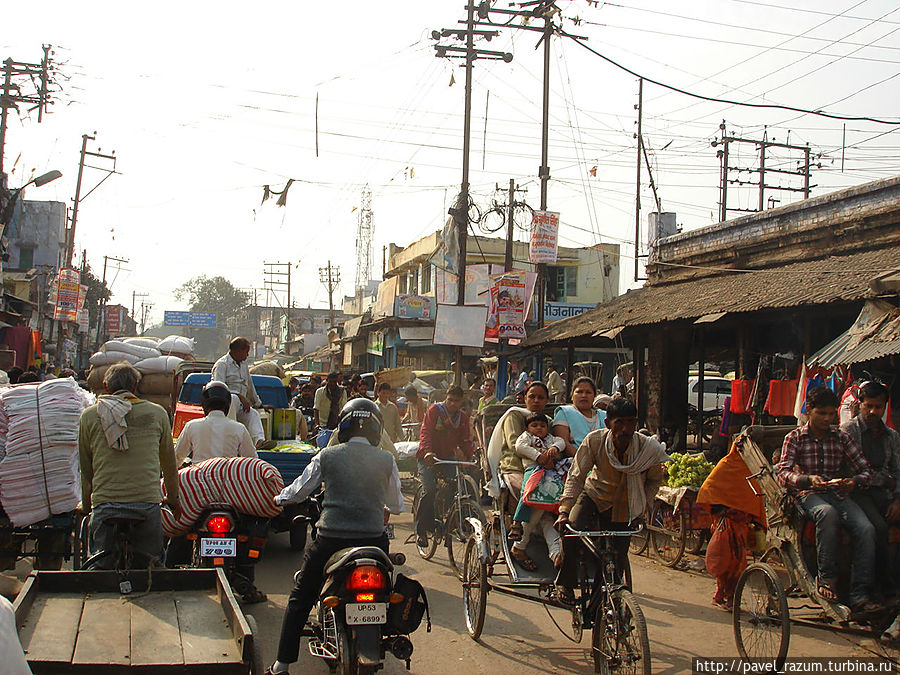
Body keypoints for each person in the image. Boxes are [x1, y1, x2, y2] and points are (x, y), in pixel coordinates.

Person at [267, 398, 403, 675]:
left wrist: (278, 498)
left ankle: (282, 664)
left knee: (301, 597)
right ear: (377, 428)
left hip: (331, 540)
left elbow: (299, 490)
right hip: (374, 542)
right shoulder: (386, 459)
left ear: (343, 425)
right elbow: (398, 505)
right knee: (385, 594)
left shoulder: (328, 456)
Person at [554, 397, 668, 603]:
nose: (625, 429)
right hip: (594, 496)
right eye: (619, 423)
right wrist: (564, 510)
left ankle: (603, 609)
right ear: (608, 424)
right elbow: (577, 476)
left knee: (616, 561)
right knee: (572, 529)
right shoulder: (595, 441)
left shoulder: (647, 449)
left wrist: (642, 508)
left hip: (626, 507)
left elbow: (653, 482)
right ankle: (566, 584)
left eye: (630, 422)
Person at [776, 385, 877, 613]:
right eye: (822, 413)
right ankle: (826, 579)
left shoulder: (841, 437)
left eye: (831, 414)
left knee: (866, 529)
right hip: (808, 495)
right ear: (809, 410)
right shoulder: (795, 437)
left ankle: (860, 593)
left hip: (838, 494)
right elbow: (783, 473)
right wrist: (807, 479)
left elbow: (865, 470)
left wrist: (854, 481)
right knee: (827, 514)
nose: (827, 419)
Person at [78, 362, 179, 567]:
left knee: (98, 565)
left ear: (106, 388)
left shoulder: (89, 416)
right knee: (154, 563)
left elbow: (86, 469)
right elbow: (169, 465)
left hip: (105, 506)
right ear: (135, 387)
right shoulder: (157, 413)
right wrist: (174, 500)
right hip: (146, 505)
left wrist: (87, 506)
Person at [841, 380, 900, 597]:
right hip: (858, 493)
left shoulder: (892, 436)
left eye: (879, 407)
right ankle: (884, 585)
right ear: (860, 404)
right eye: (869, 406)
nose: (874, 411)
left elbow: (898, 470)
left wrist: (897, 499)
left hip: (885, 494)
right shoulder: (848, 431)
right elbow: (848, 472)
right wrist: (884, 481)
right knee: (878, 528)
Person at [486, 382, 551, 541]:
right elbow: (514, 443)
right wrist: (540, 456)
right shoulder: (514, 415)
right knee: (529, 490)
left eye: (540, 397)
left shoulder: (548, 420)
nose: (536, 400)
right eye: (532, 397)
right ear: (525, 399)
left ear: (546, 401)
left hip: (543, 468)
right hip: (514, 466)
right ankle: (520, 535)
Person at [415, 386, 475, 547]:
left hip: (447, 457)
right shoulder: (435, 411)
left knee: (454, 487)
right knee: (430, 490)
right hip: (427, 456)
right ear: (445, 398)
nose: (453, 404)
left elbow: (464, 441)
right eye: (450, 400)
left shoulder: (462, 417)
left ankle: (444, 519)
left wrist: (472, 456)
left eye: (456, 401)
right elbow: (425, 432)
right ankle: (421, 530)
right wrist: (428, 452)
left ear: (461, 402)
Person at [510, 412, 568, 570]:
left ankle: (556, 553)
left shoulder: (550, 439)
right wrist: (538, 456)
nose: (539, 429)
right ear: (527, 428)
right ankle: (519, 539)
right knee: (534, 503)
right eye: (534, 426)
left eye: (542, 426)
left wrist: (555, 449)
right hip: (534, 471)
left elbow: (561, 442)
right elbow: (519, 447)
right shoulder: (526, 437)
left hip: (552, 474)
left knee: (547, 517)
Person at [211, 337, 275, 450]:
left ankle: (260, 441)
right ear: (238, 351)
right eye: (246, 352)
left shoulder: (244, 364)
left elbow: (249, 385)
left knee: (253, 414)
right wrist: (239, 396)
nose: (247, 355)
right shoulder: (222, 365)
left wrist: (259, 404)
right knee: (234, 398)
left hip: (241, 406)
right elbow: (219, 388)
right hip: (225, 405)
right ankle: (233, 442)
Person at [174, 381, 258, 466]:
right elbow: (252, 461)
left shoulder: (192, 426)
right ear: (228, 404)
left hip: (198, 478)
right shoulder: (239, 428)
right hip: (227, 478)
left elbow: (176, 457)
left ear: (204, 403)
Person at [553, 377, 605, 457]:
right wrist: (584, 461)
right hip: (575, 462)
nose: (584, 395)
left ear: (594, 396)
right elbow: (563, 442)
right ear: (572, 395)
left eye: (588, 392)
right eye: (579, 392)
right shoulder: (564, 412)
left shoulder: (604, 415)